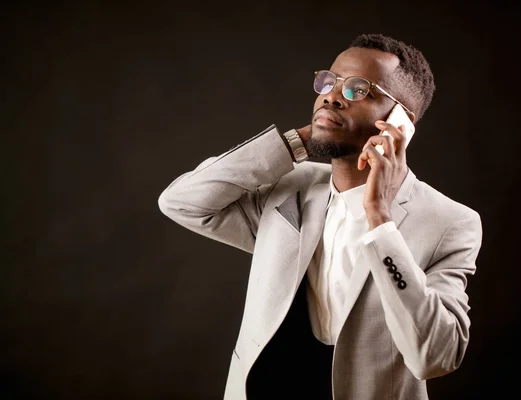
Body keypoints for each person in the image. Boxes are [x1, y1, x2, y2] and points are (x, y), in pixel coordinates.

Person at [158, 33, 483, 400]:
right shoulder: (288, 189)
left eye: (359, 89)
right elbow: (182, 202)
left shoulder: (451, 223)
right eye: (329, 82)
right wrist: (299, 142)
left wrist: (380, 218)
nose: (331, 95)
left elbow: (435, 357)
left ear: (400, 122)